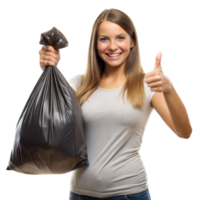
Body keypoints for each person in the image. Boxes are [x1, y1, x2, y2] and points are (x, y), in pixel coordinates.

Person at [37, 7, 192, 200]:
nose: (112, 46)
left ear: (132, 41)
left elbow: (184, 133)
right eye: (104, 39)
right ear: (95, 44)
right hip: (80, 194)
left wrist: (169, 89)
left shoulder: (148, 84)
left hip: (130, 194)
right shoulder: (76, 84)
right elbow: (47, 127)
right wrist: (48, 71)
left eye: (120, 38)